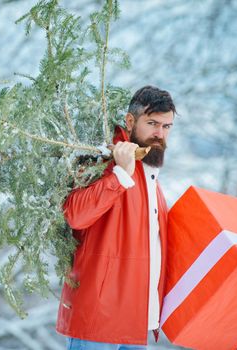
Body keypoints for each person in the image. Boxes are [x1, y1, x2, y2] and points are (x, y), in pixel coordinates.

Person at [56, 85, 176, 350]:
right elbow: (75, 215)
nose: (160, 134)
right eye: (152, 123)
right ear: (130, 121)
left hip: (135, 321)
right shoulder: (103, 155)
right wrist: (119, 175)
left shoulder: (148, 171)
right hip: (98, 321)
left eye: (167, 126)